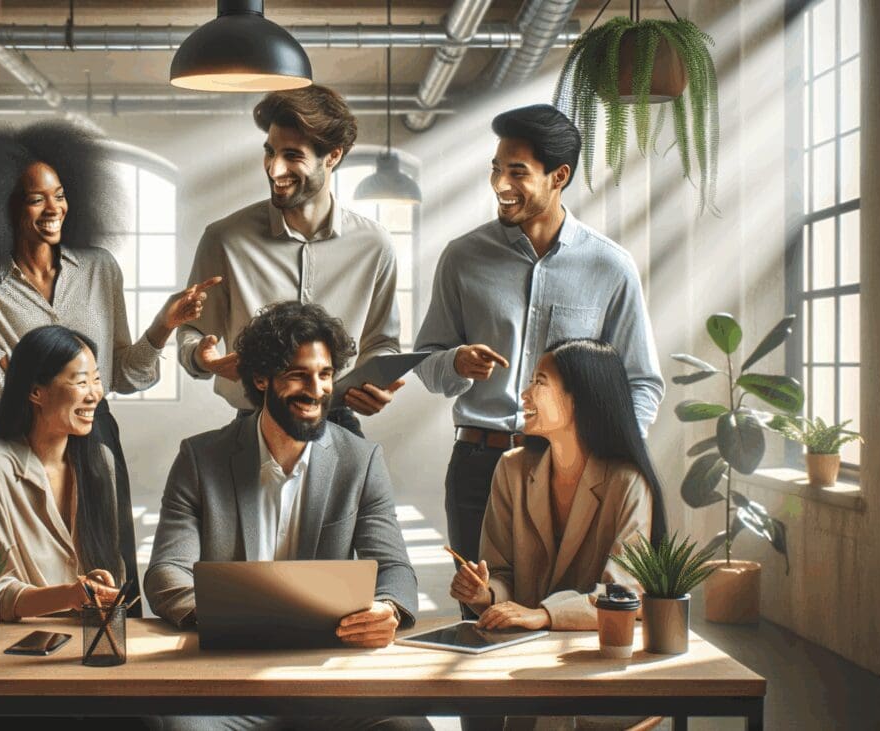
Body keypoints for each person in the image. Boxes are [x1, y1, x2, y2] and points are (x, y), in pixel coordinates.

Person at [0, 120, 218, 614]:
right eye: (37, 199)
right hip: (30, 442)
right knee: (38, 560)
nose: (53, 208)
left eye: (59, 194)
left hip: (98, 438)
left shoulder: (100, 268)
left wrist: (164, 325)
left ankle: (117, 656)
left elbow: (122, 375)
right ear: (7, 208)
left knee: (112, 568)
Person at [413, 105, 664, 617]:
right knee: (484, 615)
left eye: (516, 172)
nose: (500, 183)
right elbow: (426, 362)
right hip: (479, 466)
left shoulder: (610, 267)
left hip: (575, 474)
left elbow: (640, 382)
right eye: (495, 168)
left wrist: (605, 456)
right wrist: (456, 363)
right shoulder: (462, 258)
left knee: (578, 613)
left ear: (559, 176)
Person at [148, 301, 429, 731]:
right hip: (229, 679)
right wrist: (226, 619)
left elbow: (395, 568)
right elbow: (167, 570)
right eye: (298, 374)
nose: (316, 390)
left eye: (325, 374)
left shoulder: (362, 460)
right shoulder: (200, 457)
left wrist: (387, 609)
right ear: (261, 378)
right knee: (180, 726)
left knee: (409, 728)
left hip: (328, 679)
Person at [449, 339, 667, 731]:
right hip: (526, 668)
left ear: (580, 398)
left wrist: (544, 615)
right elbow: (500, 572)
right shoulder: (512, 469)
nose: (525, 393)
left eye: (540, 382)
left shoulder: (628, 482)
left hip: (601, 670)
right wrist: (484, 592)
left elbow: (623, 596)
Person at [177, 85, 404, 438]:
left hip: (338, 422)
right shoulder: (223, 239)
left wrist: (379, 384)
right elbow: (192, 330)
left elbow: (382, 341)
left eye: (293, 155)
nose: (274, 168)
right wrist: (200, 357)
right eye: (270, 152)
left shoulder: (375, 244)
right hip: (253, 424)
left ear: (332, 156)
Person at [0, 324, 152, 729]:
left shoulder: (100, 461)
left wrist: (101, 584)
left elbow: (112, 565)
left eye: (97, 380)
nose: (95, 393)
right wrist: (71, 594)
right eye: (81, 381)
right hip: (19, 662)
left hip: (92, 652)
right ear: (35, 391)